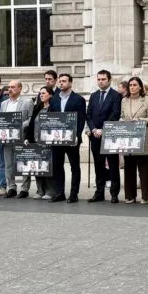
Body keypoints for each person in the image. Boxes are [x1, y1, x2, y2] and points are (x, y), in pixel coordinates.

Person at [49, 73, 87, 203]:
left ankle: (73, 194)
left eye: (64, 81)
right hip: (57, 138)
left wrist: (77, 135)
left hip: (72, 140)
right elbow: (50, 118)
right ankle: (60, 192)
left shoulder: (78, 99)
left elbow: (81, 119)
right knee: (57, 165)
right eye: (60, 81)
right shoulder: (54, 99)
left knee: (74, 166)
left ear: (70, 83)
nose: (61, 83)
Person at [86, 70, 122, 203]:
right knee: (98, 165)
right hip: (95, 136)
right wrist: (94, 129)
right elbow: (88, 115)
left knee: (112, 165)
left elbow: (115, 114)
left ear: (109, 80)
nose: (100, 81)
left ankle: (114, 193)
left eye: (103, 79)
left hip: (109, 135)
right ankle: (99, 192)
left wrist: (103, 129)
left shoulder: (116, 95)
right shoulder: (94, 95)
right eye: (99, 79)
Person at [122, 76, 148, 204]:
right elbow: (121, 116)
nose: (132, 87)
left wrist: (138, 120)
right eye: (130, 85)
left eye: (135, 85)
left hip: (143, 137)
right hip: (129, 137)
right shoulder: (124, 100)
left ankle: (146, 196)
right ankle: (130, 195)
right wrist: (121, 122)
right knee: (129, 167)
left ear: (140, 87)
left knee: (144, 168)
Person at [0, 80, 34, 199]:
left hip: (22, 137)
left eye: (13, 87)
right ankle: (11, 188)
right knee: (8, 164)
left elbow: (31, 119)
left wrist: (19, 125)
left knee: (24, 163)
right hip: (7, 139)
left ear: (20, 88)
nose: (10, 89)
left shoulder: (27, 102)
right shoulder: (4, 104)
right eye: (9, 87)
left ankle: (24, 189)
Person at [25, 85, 56, 199]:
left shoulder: (54, 108)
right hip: (36, 141)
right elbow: (31, 124)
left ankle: (50, 191)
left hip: (48, 143)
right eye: (40, 93)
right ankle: (40, 191)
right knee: (37, 168)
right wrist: (28, 138)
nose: (41, 95)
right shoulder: (37, 107)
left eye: (44, 93)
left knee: (47, 167)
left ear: (50, 95)